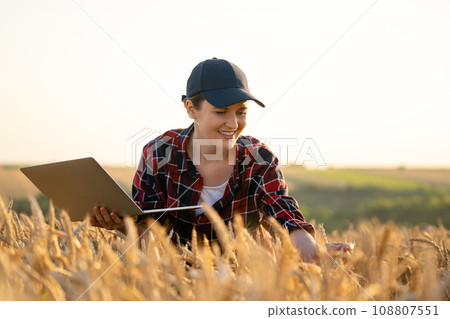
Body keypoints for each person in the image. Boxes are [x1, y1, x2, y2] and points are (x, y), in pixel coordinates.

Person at [90, 58, 320, 262]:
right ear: (191, 108)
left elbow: (284, 214)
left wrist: (313, 252)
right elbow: (150, 231)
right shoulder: (157, 154)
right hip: (176, 279)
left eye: (241, 112)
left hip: (250, 282)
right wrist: (122, 225)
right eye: (221, 112)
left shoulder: (259, 159)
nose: (233, 124)